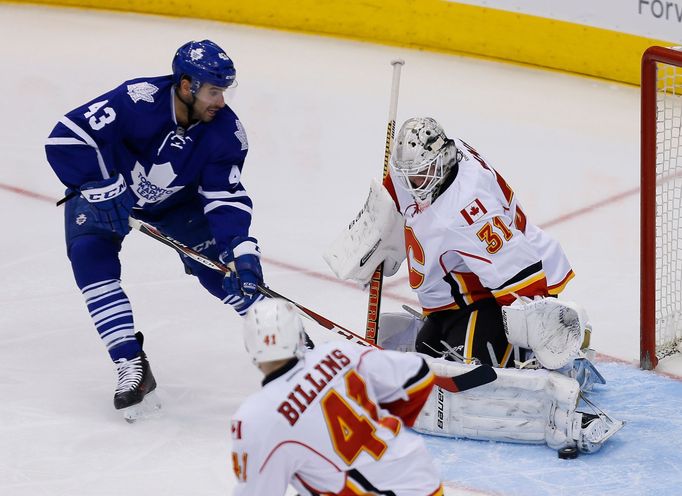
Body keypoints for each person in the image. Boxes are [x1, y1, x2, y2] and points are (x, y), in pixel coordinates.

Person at [44, 40, 265, 420]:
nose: (221, 102)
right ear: (185, 85)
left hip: (178, 205)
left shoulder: (226, 133)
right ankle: (131, 364)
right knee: (90, 260)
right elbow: (66, 138)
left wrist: (240, 249)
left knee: (224, 275)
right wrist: (99, 185)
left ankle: (296, 349)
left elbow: (225, 197)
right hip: (107, 192)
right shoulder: (136, 99)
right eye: (214, 91)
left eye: (224, 92)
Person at [325, 116, 594, 376]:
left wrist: (540, 330)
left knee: (472, 367)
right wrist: (377, 225)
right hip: (460, 296)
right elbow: (397, 187)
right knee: (427, 353)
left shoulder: (468, 213)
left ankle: (542, 352)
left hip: (503, 295)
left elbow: (519, 273)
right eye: (408, 175)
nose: (412, 183)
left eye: (420, 174)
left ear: (442, 161)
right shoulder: (447, 151)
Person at [230, 298, 444, 495]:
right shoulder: (338, 353)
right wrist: (386, 426)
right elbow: (419, 374)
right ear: (298, 335)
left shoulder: (255, 417)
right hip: (423, 481)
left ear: (250, 345)